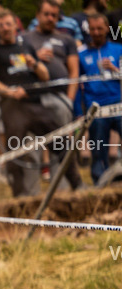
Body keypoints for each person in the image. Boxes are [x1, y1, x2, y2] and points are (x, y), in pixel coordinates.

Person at [0, 9, 55, 197]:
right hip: (11, 108)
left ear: (15, 26)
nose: (5, 28)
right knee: (15, 152)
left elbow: (45, 75)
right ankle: (20, 196)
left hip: (34, 103)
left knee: (60, 141)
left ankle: (73, 184)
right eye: (1, 25)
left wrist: (33, 63)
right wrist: (8, 92)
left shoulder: (25, 45)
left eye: (8, 24)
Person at [23, 0, 83, 190]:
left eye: (54, 16)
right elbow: (16, 65)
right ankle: (31, 193)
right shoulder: (25, 38)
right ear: (38, 15)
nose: (50, 19)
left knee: (61, 145)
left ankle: (62, 190)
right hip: (31, 101)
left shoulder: (67, 40)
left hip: (60, 98)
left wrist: (69, 100)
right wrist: (34, 58)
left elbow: (74, 71)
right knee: (30, 146)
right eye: (46, 14)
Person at [76, 12, 122, 183]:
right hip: (96, 107)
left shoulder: (118, 49)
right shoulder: (81, 54)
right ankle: (100, 181)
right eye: (92, 29)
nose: (96, 32)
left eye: (100, 28)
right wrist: (78, 110)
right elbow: (76, 83)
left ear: (107, 29)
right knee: (98, 148)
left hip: (118, 103)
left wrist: (115, 70)